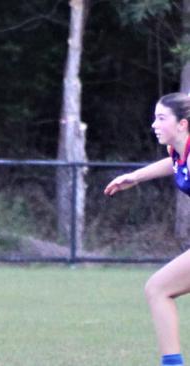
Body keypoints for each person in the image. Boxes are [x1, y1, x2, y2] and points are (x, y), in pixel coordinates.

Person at [104, 92, 190, 366]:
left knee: (158, 288)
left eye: (161, 118)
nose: (154, 124)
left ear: (182, 124)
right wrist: (135, 177)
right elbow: (175, 163)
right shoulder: (180, 151)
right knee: (158, 288)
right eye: (155, 117)